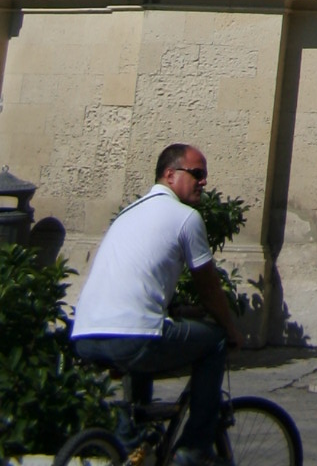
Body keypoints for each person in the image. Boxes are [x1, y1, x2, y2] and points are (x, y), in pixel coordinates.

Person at [70, 143, 243, 462]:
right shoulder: (185, 217)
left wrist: (177, 309)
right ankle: (194, 448)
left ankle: (130, 443)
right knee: (215, 342)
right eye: (197, 174)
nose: (203, 182)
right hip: (133, 336)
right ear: (169, 174)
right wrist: (230, 327)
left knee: (147, 333)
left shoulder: (128, 213)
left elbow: (137, 282)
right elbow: (208, 286)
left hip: (84, 335)